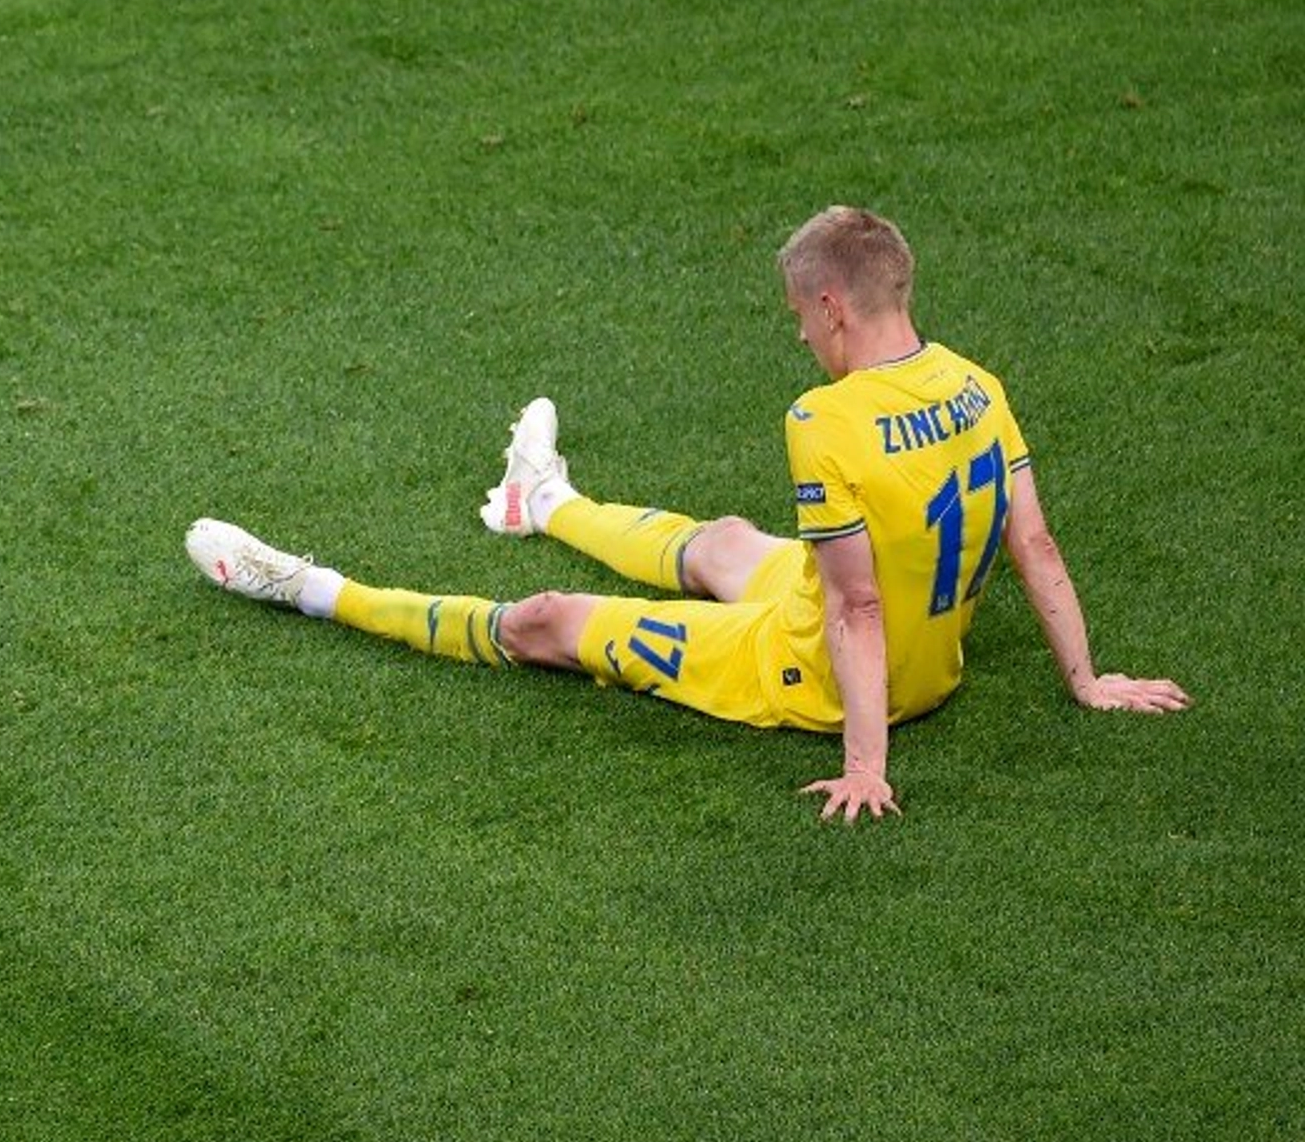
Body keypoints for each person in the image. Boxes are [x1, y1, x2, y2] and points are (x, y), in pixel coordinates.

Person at [185, 206, 1190, 822]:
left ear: (834, 308)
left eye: (799, 316)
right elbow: (1034, 542)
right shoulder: (976, 382)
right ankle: (542, 496)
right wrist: (1087, 680)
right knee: (720, 543)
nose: (799, 335)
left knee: (546, 619)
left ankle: (308, 588)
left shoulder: (825, 419)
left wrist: (865, 764)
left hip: (819, 673)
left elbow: (853, 614)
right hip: (891, 640)